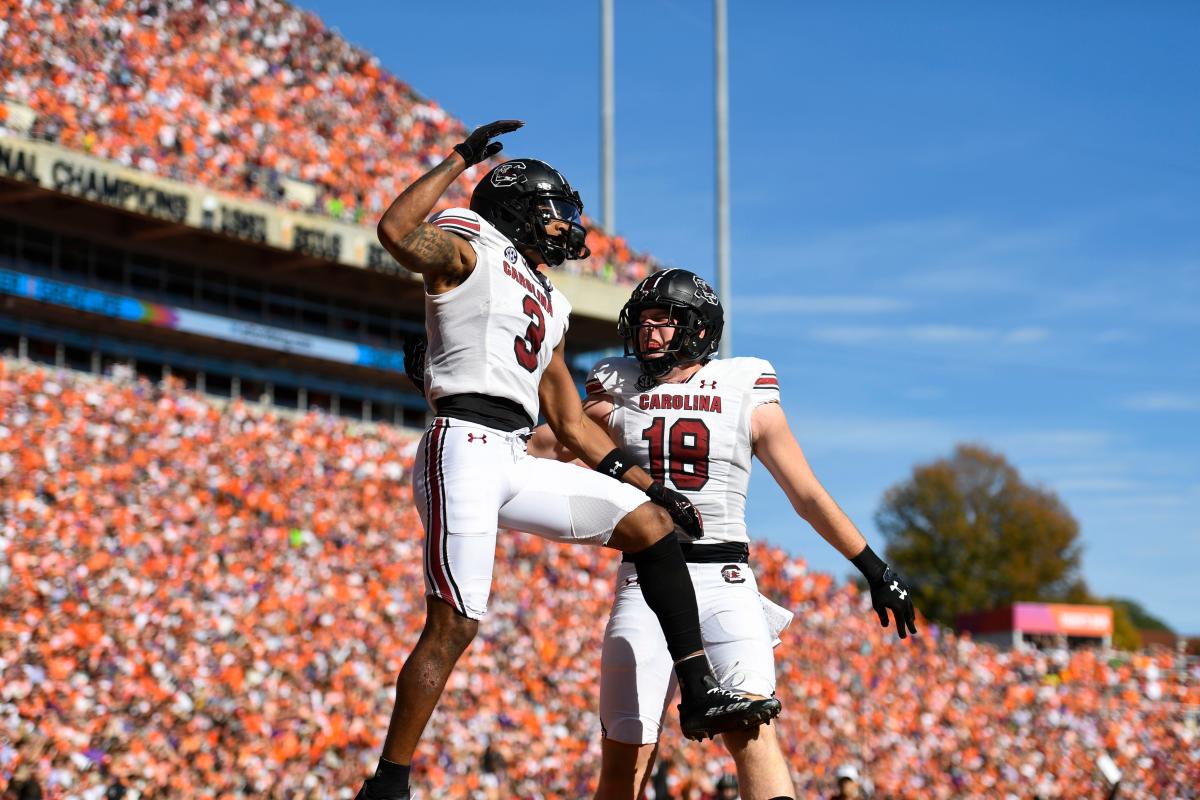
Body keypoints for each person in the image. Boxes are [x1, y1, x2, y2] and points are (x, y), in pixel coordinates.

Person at [356, 123, 780, 800]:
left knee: (651, 527)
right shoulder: (470, 250)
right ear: (519, 209)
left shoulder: (548, 298)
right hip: (461, 442)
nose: (565, 225)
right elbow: (395, 230)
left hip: (514, 451)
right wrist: (461, 160)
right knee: (456, 623)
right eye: (555, 211)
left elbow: (571, 420)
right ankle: (390, 781)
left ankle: (699, 691)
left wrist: (651, 487)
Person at [525, 269, 919, 800]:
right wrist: (464, 402)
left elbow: (806, 495)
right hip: (645, 582)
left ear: (700, 329)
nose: (649, 332)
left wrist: (875, 566)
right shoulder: (616, 385)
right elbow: (549, 444)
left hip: (724, 578)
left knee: (752, 733)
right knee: (626, 754)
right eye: (644, 321)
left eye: (665, 321)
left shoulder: (745, 385)